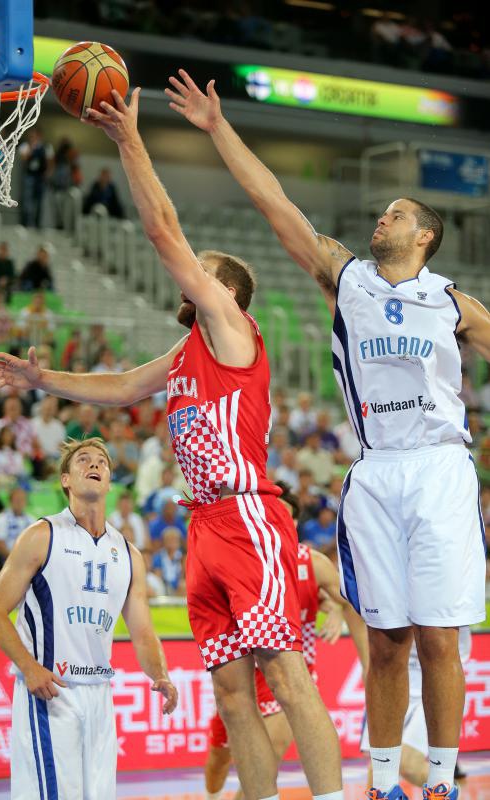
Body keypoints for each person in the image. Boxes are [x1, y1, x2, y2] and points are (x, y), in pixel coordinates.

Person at [0, 88, 344, 800]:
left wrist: (129, 141)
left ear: (223, 292)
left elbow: (162, 233)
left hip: (245, 515)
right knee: (233, 695)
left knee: (286, 674)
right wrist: (38, 374)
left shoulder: (233, 331)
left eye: (202, 269)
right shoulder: (183, 356)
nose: (190, 271)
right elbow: (117, 388)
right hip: (203, 523)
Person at [165, 69, 488, 800]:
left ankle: (438, 781)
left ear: (425, 235)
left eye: (397, 214)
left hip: (438, 466)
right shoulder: (348, 279)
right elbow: (272, 202)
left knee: (438, 638)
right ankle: (379, 784)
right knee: (386, 643)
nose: (382, 220)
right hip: (374, 470)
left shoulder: (451, 302)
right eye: (381, 212)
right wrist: (218, 129)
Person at [0, 437, 178, 798]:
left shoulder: (128, 552)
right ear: (66, 480)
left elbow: (142, 632)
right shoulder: (42, 535)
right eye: (83, 460)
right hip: (51, 690)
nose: (94, 465)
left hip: (99, 693)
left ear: (108, 481)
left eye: (101, 462)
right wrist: (29, 668)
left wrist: (161, 673)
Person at [204, 482, 368, 800]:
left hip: (292, 668)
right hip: (241, 674)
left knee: (271, 755)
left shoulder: (312, 562)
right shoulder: (237, 558)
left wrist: (336, 610)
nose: (285, 523)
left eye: (291, 518)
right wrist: (330, 606)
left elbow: (346, 601)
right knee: (217, 764)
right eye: (277, 515)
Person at [361, 627, 472, 788]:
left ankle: (450, 790)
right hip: (395, 677)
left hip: (437, 678)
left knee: (408, 765)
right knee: (379, 771)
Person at [0, 486, 34, 557]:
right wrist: (13, 560)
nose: (19, 502)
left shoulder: (31, 519)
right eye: (16, 499)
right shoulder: (1, 519)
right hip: (7, 559)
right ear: (10, 501)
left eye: (22, 499)